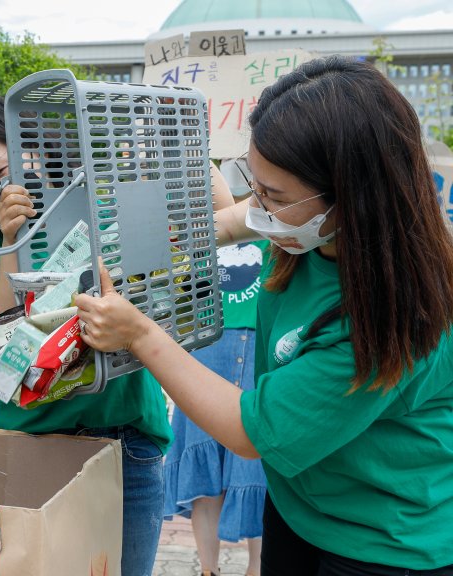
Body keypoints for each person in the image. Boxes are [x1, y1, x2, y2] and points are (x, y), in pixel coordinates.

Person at [75, 56, 453, 575]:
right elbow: (237, 221)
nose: (260, 209)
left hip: (384, 542)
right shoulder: (317, 233)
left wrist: (140, 334)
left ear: (352, 199)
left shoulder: (396, 315)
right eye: (256, 186)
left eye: (273, 197)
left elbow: (248, 430)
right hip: (303, 508)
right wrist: (189, 229)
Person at [0, 96, 235, 575]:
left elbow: (218, 216)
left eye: (0, 170)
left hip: (128, 441)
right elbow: (3, 345)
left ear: (34, 148)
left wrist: (183, 140)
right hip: (39, 444)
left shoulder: (104, 205)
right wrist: (13, 243)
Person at [164, 233, 269, 576]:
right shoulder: (205, 225)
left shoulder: (275, 222)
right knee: (202, 468)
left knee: (260, 469)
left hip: (262, 345)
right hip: (208, 343)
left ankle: (257, 569)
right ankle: (208, 571)